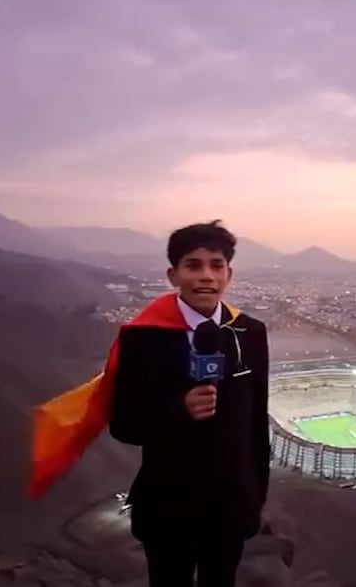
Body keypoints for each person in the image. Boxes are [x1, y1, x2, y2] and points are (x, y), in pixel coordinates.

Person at [108, 220, 270, 587]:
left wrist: (256, 495)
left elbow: (256, 423)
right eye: (193, 265)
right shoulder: (143, 338)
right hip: (167, 505)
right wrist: (178, 409)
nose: (206, 276)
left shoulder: (250, 332)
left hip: (230, 506)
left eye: (216, 265)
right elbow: (124, 424)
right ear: (173, 274)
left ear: (229, 274)